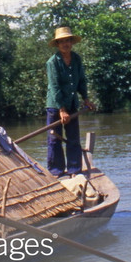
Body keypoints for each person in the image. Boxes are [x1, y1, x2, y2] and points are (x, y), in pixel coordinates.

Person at [45, 26, 96, 176]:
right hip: (55, 106)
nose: (65, 44)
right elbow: (54, 86)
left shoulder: (76, 59)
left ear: (71, 42)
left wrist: (86, 99)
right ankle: (56, 172)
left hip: (72, 104)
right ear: (58, 44)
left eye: (67, 41)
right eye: (62, 42)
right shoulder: (52, 62)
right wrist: (61, 110)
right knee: (54, 140)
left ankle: (75, 170)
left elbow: (81, 80)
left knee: (73, 139)